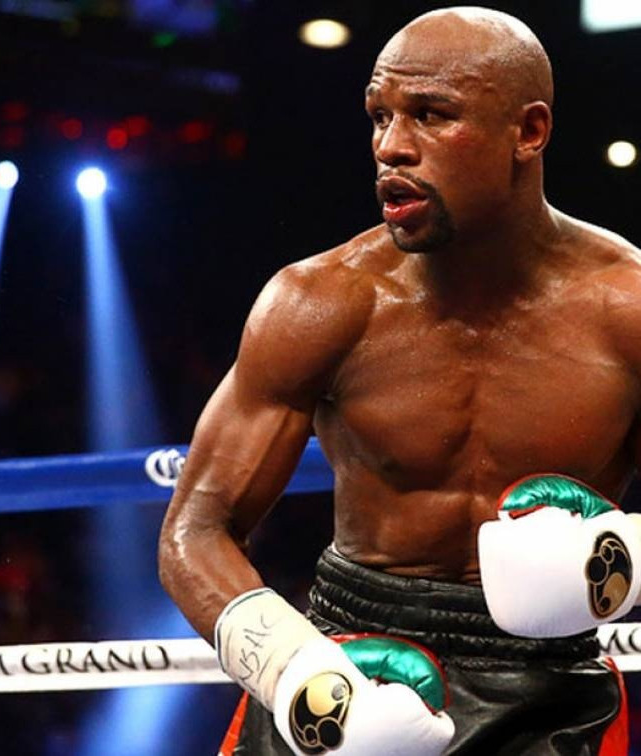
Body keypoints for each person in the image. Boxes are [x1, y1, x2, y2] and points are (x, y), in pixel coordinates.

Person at [158, 6, 641, 754]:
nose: (391, 146)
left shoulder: (626, 309)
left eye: (431, 115)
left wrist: (623, 563)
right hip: (348, 661)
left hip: (549, 693)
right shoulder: (322, 303)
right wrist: (297, 674)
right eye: (380, 116)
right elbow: (194, 530)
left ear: (529, 131)